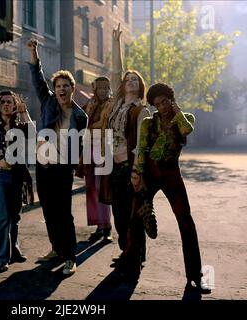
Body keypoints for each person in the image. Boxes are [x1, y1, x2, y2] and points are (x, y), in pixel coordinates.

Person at [134, 82, 211, 293]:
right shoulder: (149, 123)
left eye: (165, 101)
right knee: (136, 216)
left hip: (170, 173)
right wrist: (137, 173)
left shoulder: (184, 119)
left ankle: (195, 276)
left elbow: (187, 130)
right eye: (157, 104)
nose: (161, 107)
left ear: (171, 100)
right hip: (149, 172)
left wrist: (177, 111)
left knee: (185, 220)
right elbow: (141, 149)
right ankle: (133, 264)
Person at [27, 39, 88, 275]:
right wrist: (34, 53)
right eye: (58, 86)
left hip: (63, 169)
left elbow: (80, 145)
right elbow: (37, 79)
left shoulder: (80, 116)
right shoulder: (48, 101)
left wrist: (75, 165)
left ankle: (70, 256)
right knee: (47, 210)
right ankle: (55, 248)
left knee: (63, 213)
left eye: (66, 86)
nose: (61, 89)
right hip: (43, 166)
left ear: (72, 88)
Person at [106, 24, 152, 279]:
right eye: (127, 80)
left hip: (131, 167)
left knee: (133, 216)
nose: (129, 81)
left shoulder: (141, 109)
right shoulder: (117, 103)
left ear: (140, 85)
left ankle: (135, 257)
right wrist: (116, 43)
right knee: (119, 216)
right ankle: (127, 251)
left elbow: (142, 144)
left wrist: (139, 170)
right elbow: (115, 71)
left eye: (134, 80)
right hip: (113, 166)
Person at [0, 90, 34, 272]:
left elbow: (34, 134)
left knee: (16, 216)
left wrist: (24, 111)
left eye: (10, 102)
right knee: (4, 217)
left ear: (14, 106)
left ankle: (15, 250)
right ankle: (2, 257)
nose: (6, 104)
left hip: (16, 175)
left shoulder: (19, 126)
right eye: (3, 102)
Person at [77, 77, 113, 242]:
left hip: (104, 149)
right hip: (89, 148)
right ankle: (98, 225)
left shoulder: (111, 105)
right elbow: (81, 123)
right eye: (100, 88)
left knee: (102, 188)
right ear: (95, 89)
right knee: (91, 188)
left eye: (106, 88)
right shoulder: (89, 104)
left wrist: (92, 128)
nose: (104, 91)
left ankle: (106, 227)